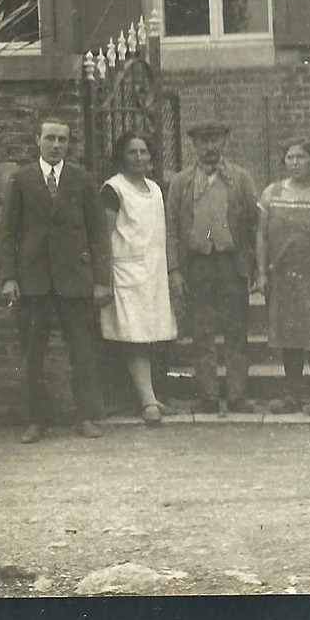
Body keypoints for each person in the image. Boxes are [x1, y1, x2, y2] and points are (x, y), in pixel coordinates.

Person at [0, 119, 111, 443]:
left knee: (82, 351)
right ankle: (35, 420)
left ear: (68, 143)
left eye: (62, 139)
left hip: (75, 281)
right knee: (32, 354)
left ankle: (86, 417)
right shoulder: (21, 179)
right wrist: (9, 277)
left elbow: (98, 234)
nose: (56, 144)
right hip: (34, 281)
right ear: (37, 140)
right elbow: (7, 233)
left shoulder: (82, 180)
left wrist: (101, 281)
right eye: (50, 138)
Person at [165, 120, 260, 414]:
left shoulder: (241, 179)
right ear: (194, 144)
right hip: (197, 266)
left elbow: (253, 225)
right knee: (201, 332)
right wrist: (175, 270)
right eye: (203, 141)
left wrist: (255, 267)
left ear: (224, 141)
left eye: (215, 140)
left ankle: (236, 395)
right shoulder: (181, 182)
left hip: (231, 264)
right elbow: (171, 228)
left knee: (236, 332)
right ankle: (207, 395)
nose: (210, 147)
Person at [253, 138, 310, 417]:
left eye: (300, 157)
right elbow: (261, 235)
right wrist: (262, 272)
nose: (294, 162)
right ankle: (290, 393)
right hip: (283, 275)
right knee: (288, 334)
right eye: (290, 157)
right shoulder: (272, 192)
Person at [98, 132, 178, 425]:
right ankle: (147, 401)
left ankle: (152, 395)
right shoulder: (113, 189)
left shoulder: (155, 189)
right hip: (126, 273)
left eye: (144, 152)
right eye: (133, 152)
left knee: (149, 334)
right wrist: (104, 279)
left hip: (152, 274)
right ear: (122, 156)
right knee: (134, 337)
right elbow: (104, 237)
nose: (140, 157)